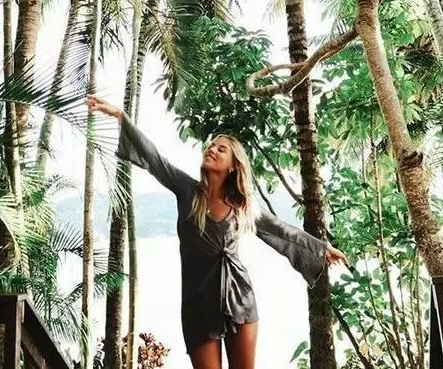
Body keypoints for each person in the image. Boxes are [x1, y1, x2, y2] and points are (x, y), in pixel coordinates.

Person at [85, 94, 348, 369]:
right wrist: (120, 117)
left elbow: (281, 230)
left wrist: (321, 249)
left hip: (239, 298)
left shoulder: (242, 206)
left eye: (221, 149)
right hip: (198, 304)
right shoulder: (187, 191)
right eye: (211, 146)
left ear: (233, 165)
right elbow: (155, 159)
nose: (212, 149)